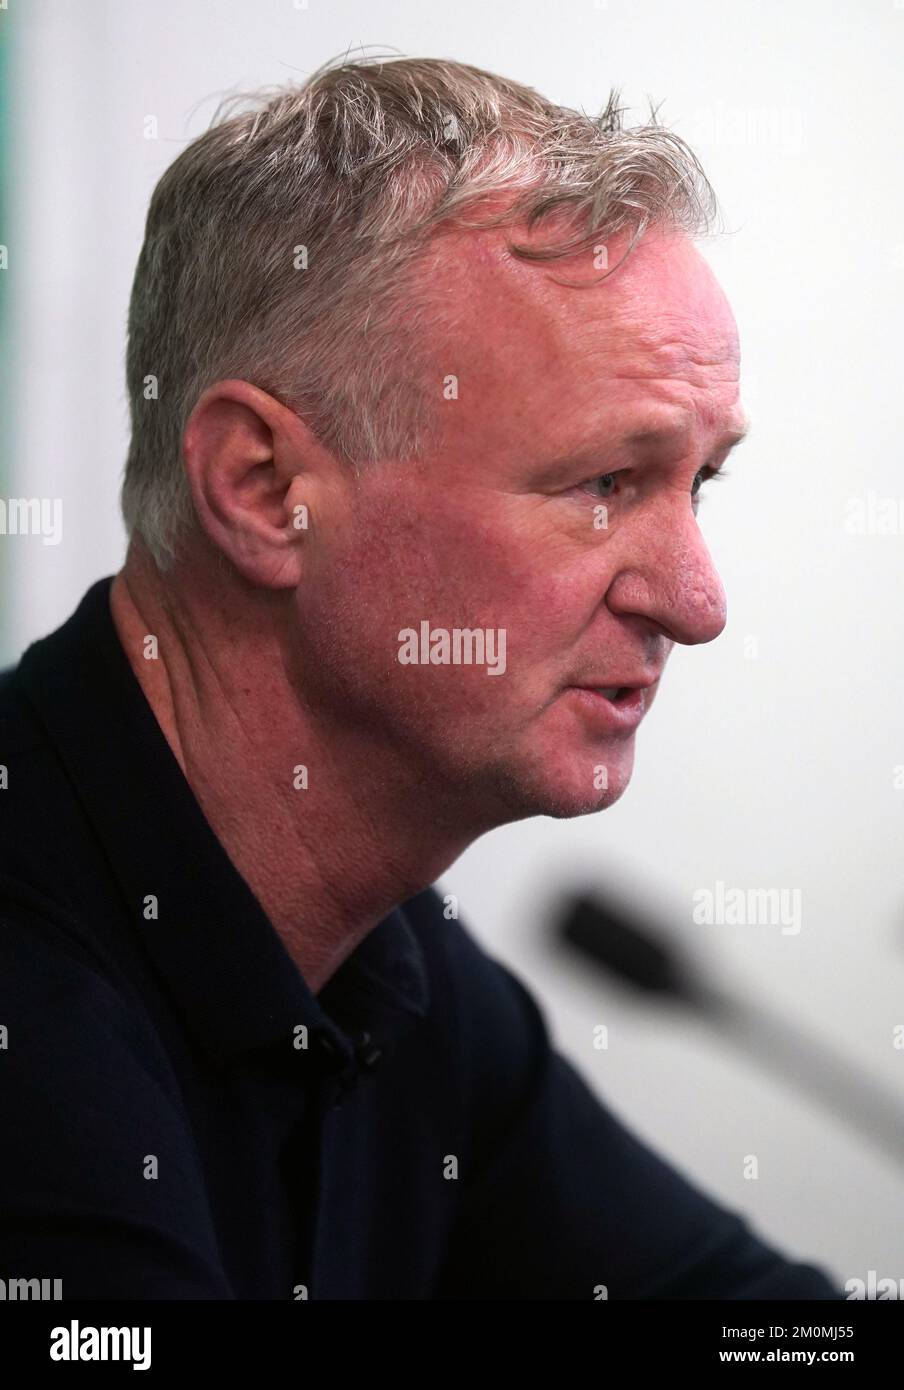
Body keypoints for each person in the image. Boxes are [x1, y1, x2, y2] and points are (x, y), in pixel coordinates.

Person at [0, 54, 843, 1299]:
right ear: (264, 489)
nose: (698, 605)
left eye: (696, 482)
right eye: (604, 483)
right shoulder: (36, 1015)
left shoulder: (396, 968)